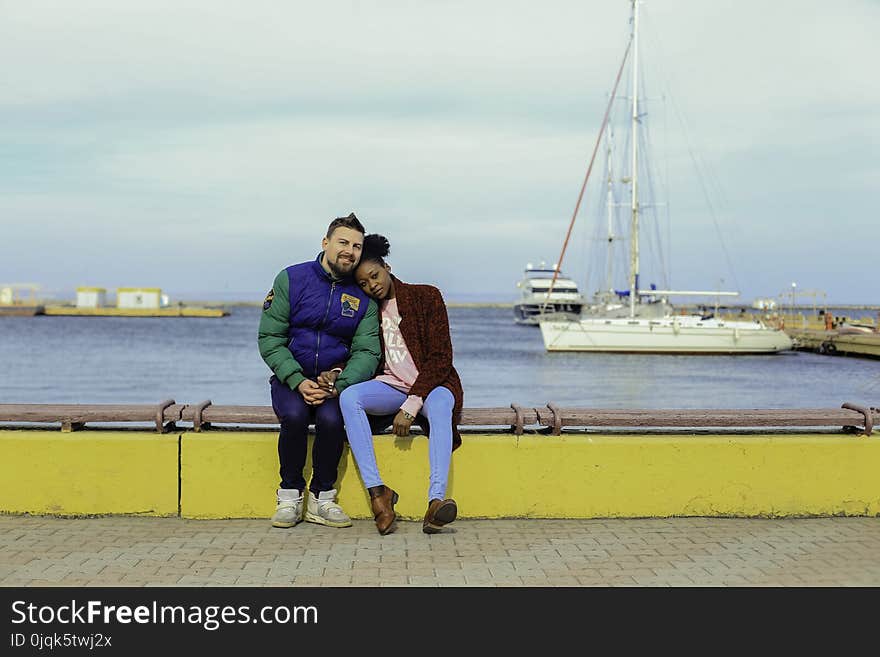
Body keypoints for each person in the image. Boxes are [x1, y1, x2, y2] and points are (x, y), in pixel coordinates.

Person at [258, 213, 380, 529]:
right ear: (325, 243)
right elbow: (270, 338)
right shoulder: (291, 279)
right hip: (290, 378)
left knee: (332, 419)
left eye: (356, 246)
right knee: (295, 417)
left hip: (334, 384)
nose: (350, 251)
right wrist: (297, 380)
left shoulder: (363, 294)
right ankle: (289, 496)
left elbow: (367, 351)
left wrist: (341, 383)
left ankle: (322, 498)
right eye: (343, 242)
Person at [338, 234, 464, 535]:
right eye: (364, 283)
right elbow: (359, 353)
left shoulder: (426, 296)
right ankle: (378, 493)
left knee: (442, 406)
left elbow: (441, 358)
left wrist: (412, 404)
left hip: (432, 385)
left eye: (375, 276)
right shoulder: (367, 311)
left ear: (387, 267)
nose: (372, 285)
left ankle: (435, 501)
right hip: (391, 386)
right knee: (349, 397)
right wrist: (337, 371)